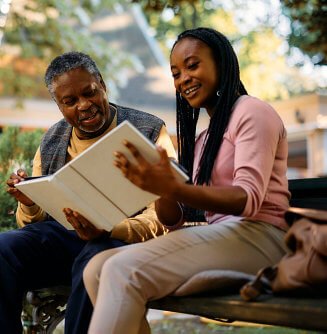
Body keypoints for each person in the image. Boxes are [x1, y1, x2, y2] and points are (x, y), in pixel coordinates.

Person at [83, 27, 291, 334]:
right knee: (96, 268)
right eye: (176, 74)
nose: (183, 80)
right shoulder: (204, 138)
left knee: (120, 269)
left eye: (192, 66)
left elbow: (248, 199)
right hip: (225, 237)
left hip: (262, 238)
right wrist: (157, 189)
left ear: (221, 62)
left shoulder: (252, 111)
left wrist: (175, 187)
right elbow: (174, 220)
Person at [3, 51, 177, 334]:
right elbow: (31, 226)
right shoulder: (51, 140)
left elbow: (164, 219)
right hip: (65, 242)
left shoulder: (148, 130)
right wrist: (30, 203)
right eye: (69, 101)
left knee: (93, 260)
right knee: (4, 248)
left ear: (103, 85)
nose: (84, 106)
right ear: (59, 106)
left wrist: (109, 230)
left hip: (119, 243)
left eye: (90, 93)